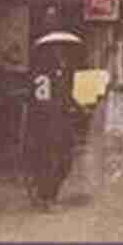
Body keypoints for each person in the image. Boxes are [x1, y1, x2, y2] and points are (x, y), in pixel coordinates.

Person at [25, 45, 78, 210]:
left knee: (51, 158)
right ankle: (47, 197)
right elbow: (59, 98)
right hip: (53, 121)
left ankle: (44, 194)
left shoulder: (38, 74)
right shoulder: (54, 74)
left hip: (43, 121)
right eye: (59, 53)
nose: (62, 56)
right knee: (56, 159)